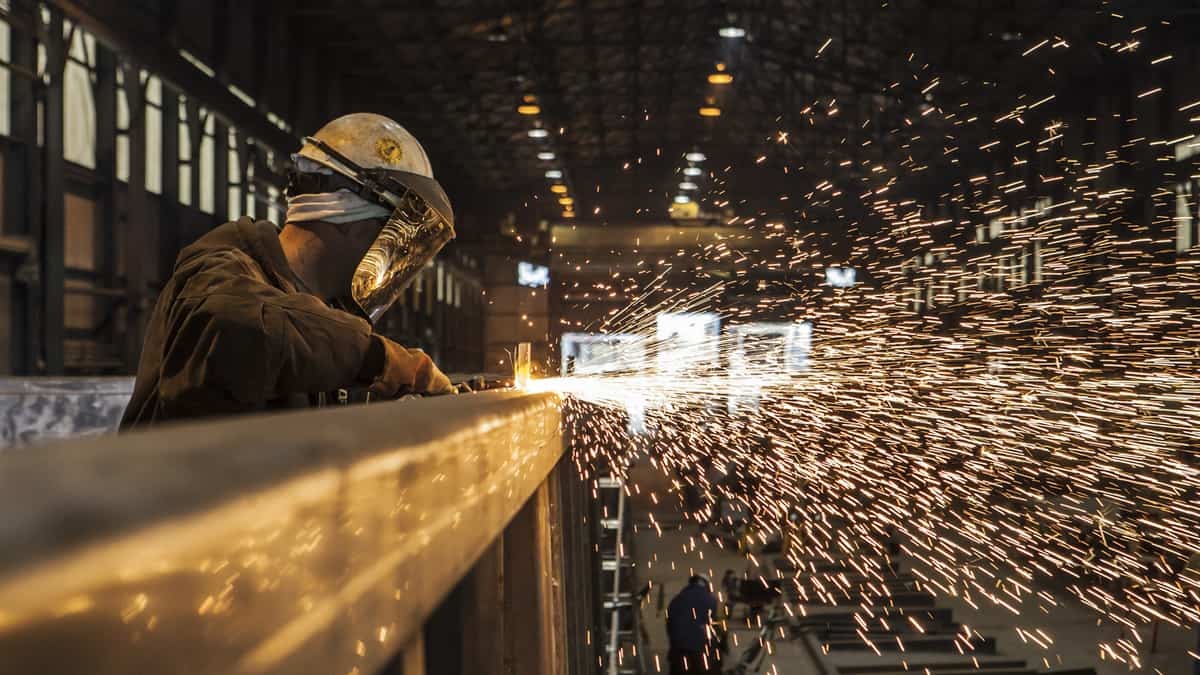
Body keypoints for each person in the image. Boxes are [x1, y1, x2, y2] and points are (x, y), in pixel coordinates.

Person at [121, 113, 457, 428]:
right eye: (394, 243)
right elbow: (237, 323)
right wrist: (382, 359)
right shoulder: (217, 275)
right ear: (355, 225)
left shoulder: (324, 317)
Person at [666, 575, 720, 675]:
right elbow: (714, 626)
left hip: (679, 650)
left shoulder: (676, 600)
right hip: (699, 652)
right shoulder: (711, 600)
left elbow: (670, 627)